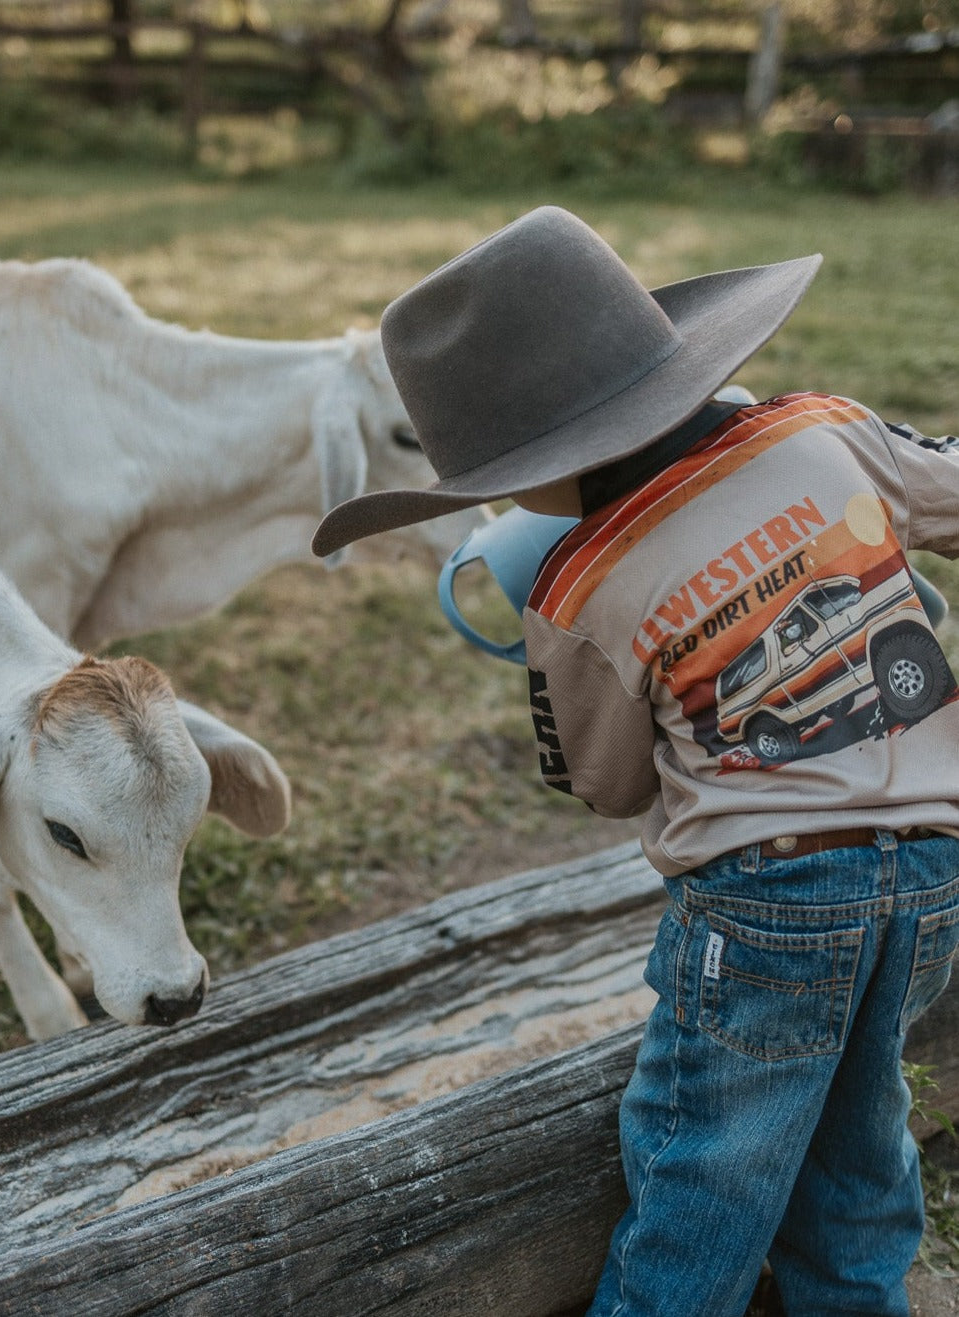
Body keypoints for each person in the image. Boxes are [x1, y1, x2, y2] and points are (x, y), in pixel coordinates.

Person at [311, 205, 959, 1316]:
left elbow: (609, 783)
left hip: (769, 907)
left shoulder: (577, 586)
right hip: (935, 882)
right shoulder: (825, 430)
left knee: (701, 1181)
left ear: (534, 469)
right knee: (859, 1162)